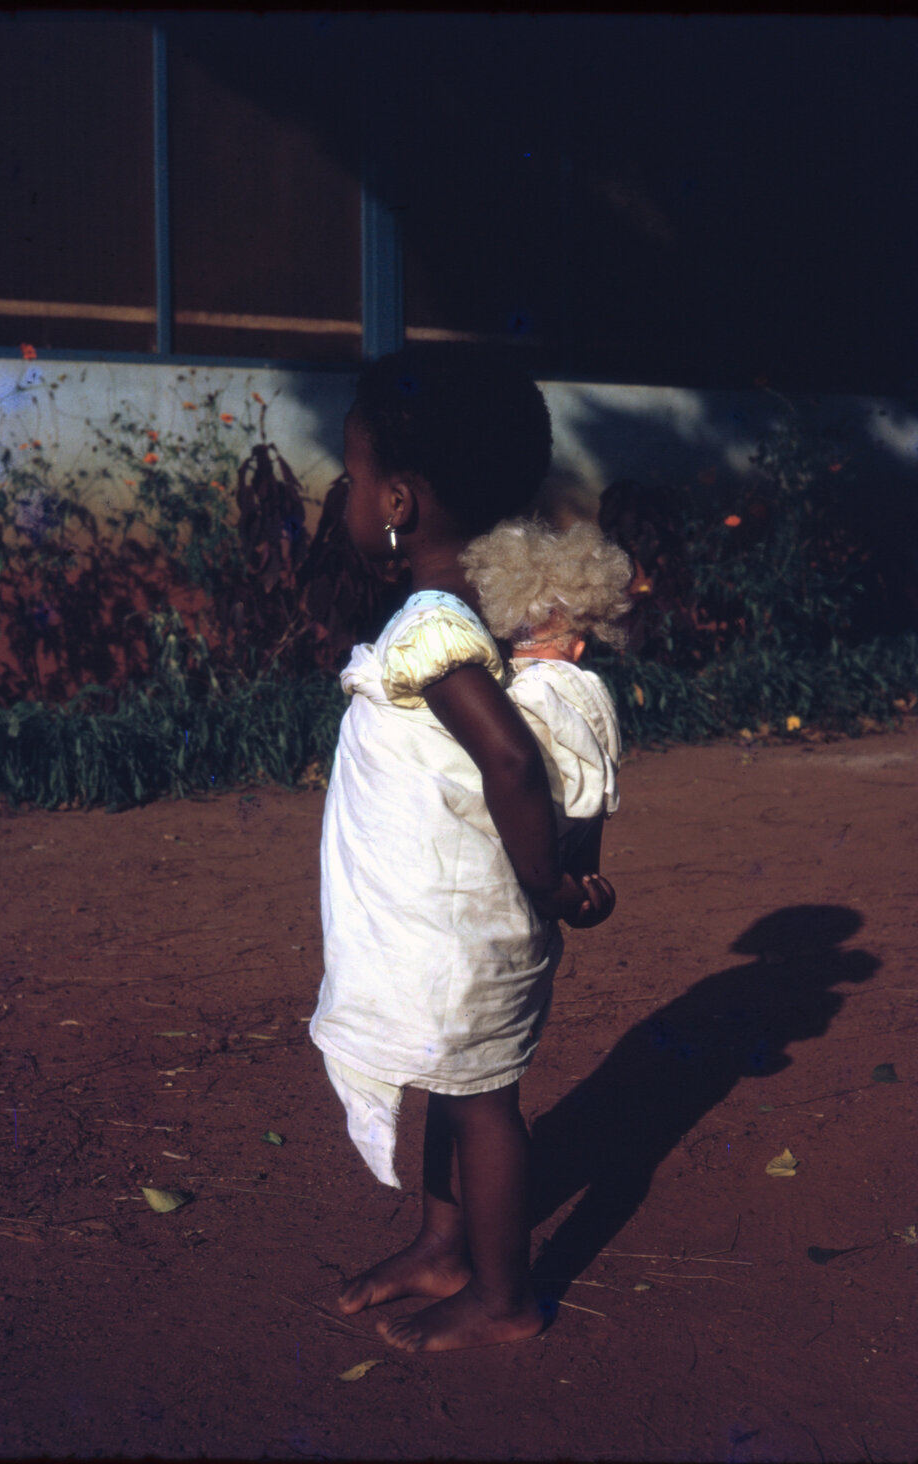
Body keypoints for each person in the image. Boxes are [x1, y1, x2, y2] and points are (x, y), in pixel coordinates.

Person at [309, 344, 616, 1353]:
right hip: (458, 913)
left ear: (396, 499)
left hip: (470, 920)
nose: (344, 494)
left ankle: (503, 1297)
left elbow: (512, 763)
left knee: (482, 1102)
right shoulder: (480, 610)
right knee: (455, 1077)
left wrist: (549, 881)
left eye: (351, 477)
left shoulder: (429, 625)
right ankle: (445, 1242)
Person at [460, 516, 633, 888]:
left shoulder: (490, 689)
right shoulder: (580, 689)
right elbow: (597, 781)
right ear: (579, 644)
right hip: (556, 846)